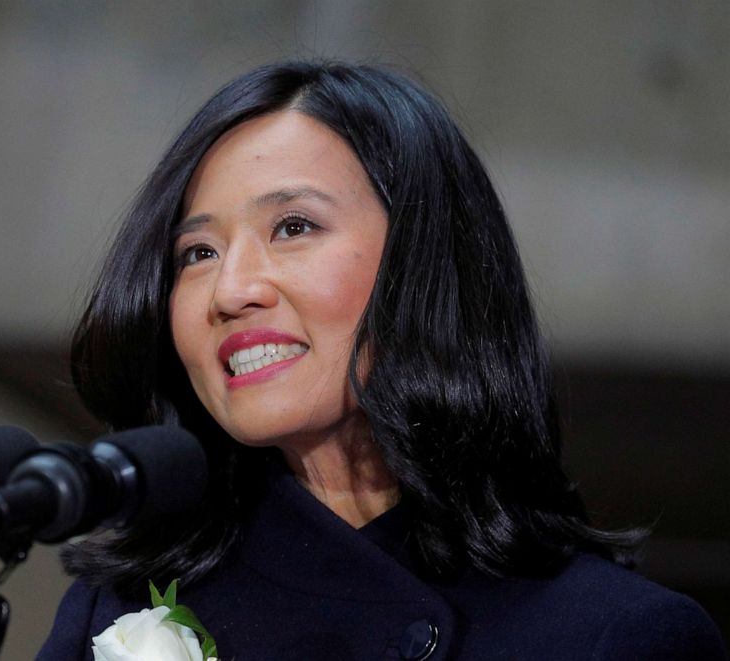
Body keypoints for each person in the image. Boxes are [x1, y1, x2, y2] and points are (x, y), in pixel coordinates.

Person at [37, 61, 726, 660]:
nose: (232, 290)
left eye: (294, 226)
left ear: (424, 263)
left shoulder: (613, 636)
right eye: (198, 253)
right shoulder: (118, 611)